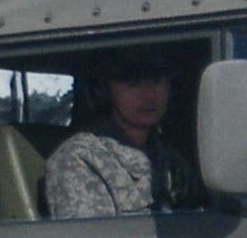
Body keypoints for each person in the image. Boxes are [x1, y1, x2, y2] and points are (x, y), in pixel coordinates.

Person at [42, 49, 200, 219]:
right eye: (133, 84)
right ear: (104, 92)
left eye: (156, 81)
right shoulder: (80, 159)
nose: (149, 95)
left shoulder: (169, 159)